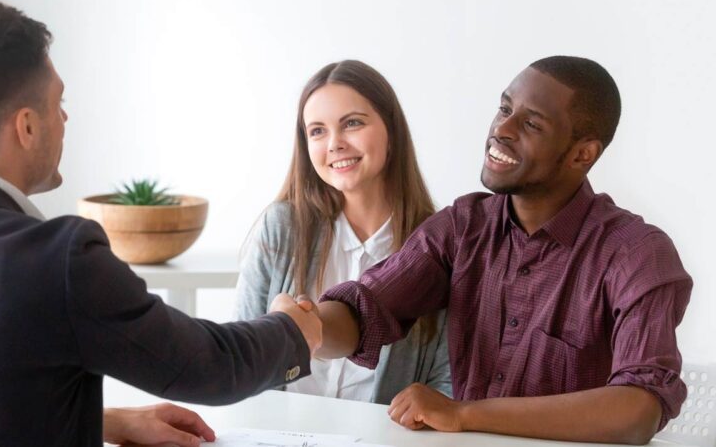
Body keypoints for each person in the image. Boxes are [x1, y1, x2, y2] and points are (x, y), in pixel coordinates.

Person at [0, 3, 320, 446]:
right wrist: (291, 331)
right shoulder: (57, 259)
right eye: (58, 103)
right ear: (27, 127)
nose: (65, 119)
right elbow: (209, 366)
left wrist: (102, 420)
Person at [287, 56, 692, 444]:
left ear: (581, 154)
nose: (503, 129)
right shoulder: (465, 225)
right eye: (504, 109)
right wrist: (304, 329)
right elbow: (367, 309)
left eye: (531, 124)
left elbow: (638, 409)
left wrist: (464, 414)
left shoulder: (637, 252)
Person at [235, 60, 451, 404]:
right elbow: (240, 361)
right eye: (317, 131)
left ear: (391, 131)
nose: (334, 143)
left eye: (352, 123)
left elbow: (447, 385)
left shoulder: (442, 242)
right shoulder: (282, 227)